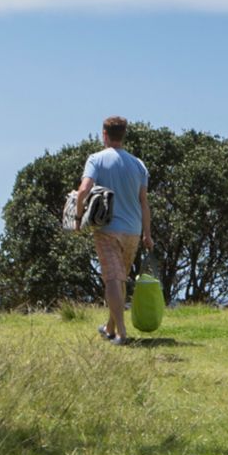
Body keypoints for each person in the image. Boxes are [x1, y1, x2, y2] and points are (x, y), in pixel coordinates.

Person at [76, 116, 153, 346]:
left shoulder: (96, 160)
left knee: (112, 279)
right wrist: (147, 234)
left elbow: (83, 190)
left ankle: (120, 332)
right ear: (124, 134)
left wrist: (78, 217)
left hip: (107, 228)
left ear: (104, 134)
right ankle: (109, 326)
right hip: (133, 230)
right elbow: (144, 202)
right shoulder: (138, 164)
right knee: (120, 279)